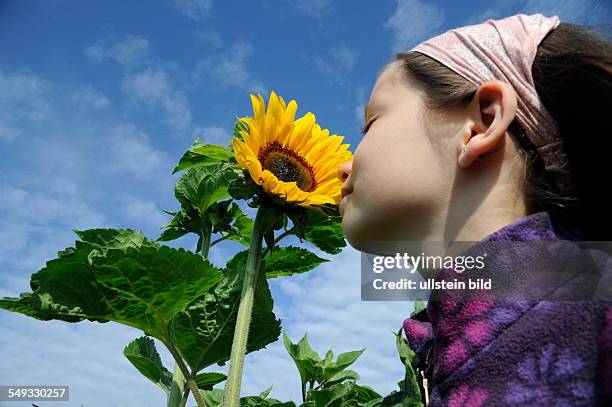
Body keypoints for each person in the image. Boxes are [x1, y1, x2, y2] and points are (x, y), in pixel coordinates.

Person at [336, 13, 612, 406]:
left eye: (371, 123)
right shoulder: (449, 348)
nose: (342, 165)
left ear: (482, 123)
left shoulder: (598, 318)